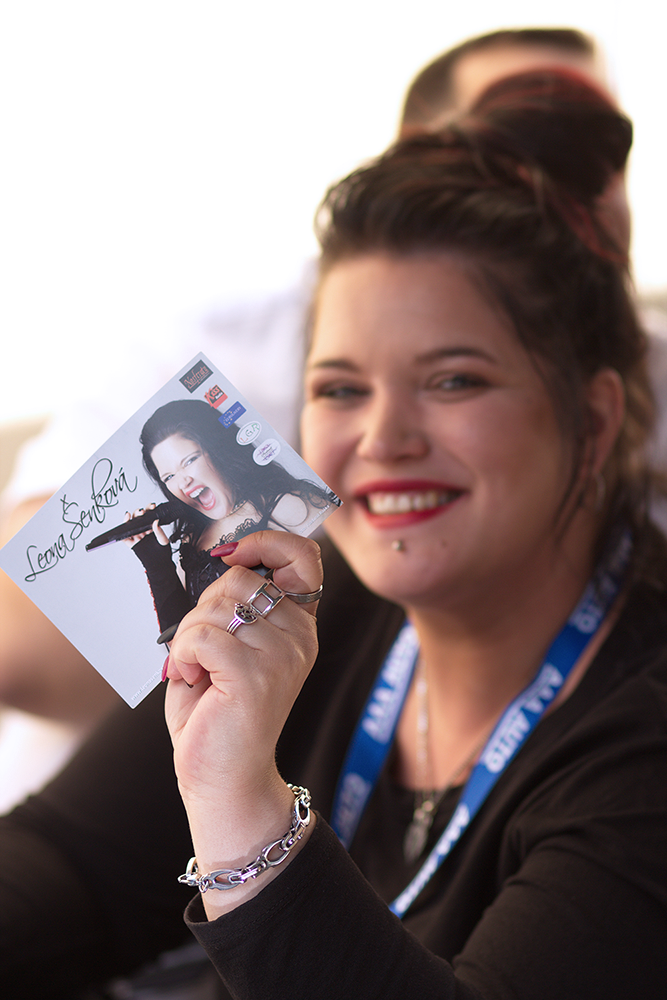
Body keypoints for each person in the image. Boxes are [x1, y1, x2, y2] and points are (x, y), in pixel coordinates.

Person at [2, 69, 667, 999]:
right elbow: (71, 865)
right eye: (341, 389)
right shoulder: (319, 602)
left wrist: (240, 803)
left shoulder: (642, 732)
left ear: (591, 422)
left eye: (454, 380)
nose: (382, 439)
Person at [0, 25, 639, 731]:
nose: (382, 438)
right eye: (338, 390)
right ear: (415, 159)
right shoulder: (230, 349)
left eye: (602, 147)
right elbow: (19, 649)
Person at [122, 398, 335, 636]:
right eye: (169, 477)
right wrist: (157, 564)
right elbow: (181, 640)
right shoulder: (191, 539)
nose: (183, 482)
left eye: (190, 461)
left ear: (217, 450)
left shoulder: (288, 506)